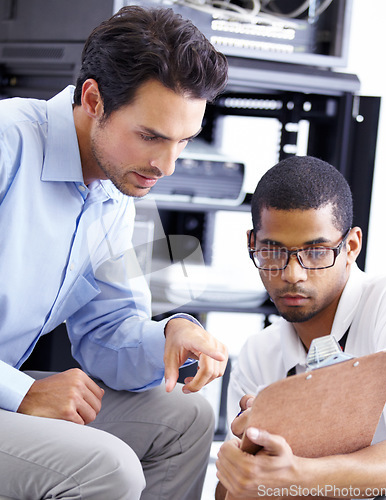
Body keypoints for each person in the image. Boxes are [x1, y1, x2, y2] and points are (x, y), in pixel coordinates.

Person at [0, 5, 229, 499]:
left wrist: (171, 334)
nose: (166, 166)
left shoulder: (114, 188)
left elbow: (107, 331)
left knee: (185, 418)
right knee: (109, 468)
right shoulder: (6, 142)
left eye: (184, 142)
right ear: (93, 99)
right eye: (150, 136)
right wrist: (22, 393)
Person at [215, 155, 386, 499]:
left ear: (351, 246)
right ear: (252, 243)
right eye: (272, 251)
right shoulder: (258, 354)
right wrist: (245, 462)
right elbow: (231, 494)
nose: (291, 274)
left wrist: (299, 474)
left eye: (315, 251)